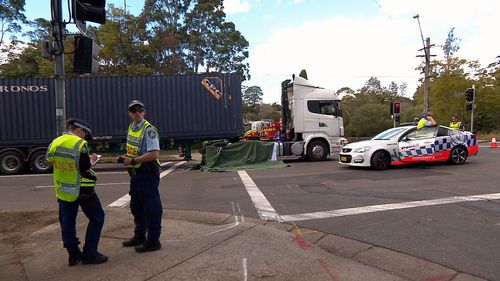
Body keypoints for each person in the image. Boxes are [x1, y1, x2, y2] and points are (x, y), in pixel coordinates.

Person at [46, 118, 107, 266]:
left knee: (67, 222)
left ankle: (73, 254)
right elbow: (85, 167)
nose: (85, 137)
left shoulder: (56, 141)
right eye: (85, 134)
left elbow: (49, 160)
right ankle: (90, 254)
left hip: (63, 189)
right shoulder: (80, 144)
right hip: (82, 188)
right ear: (80, 130)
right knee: (97, 217)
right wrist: (92, 159)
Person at [119, 100, 163, 253]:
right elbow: (135, 149)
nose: (137, 112)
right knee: (136, 207)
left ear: (144, 112)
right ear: (129, 113)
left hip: (147, 173)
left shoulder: (148, 129)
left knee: (151, 208)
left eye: (140, 110)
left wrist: (132, 160)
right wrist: (127, 157)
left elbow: (154, 154)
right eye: (133, 110)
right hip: (136, 174)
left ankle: (153, 240)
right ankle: (139, 236)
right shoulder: (132, 127)